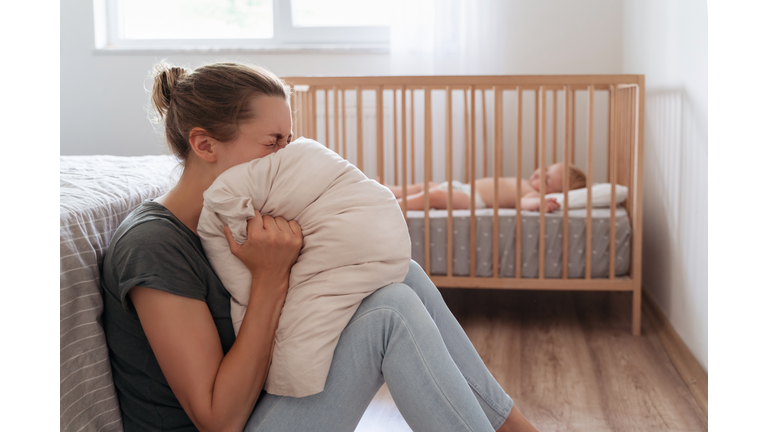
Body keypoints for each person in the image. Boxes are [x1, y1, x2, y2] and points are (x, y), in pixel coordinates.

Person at [100, 61, 540, 432]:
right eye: (272, 143)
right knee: (390, 315)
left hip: (264, 408)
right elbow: (218, 419)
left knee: (398, 273)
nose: (286, 158)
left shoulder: (244, 222)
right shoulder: (154, 245)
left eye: (288, 143)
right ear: (204, 144)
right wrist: (270, 276)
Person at [387, 163, 587, 213]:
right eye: (545, 169)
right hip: (463, 187)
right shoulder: (527, 183)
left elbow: (525, 203)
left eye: (548, 181)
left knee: (434, 195)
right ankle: (389, 190)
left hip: (474, 200)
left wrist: (540, 204)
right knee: (426, 186)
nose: (540, 174)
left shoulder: (531, 193)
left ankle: (396, 205)